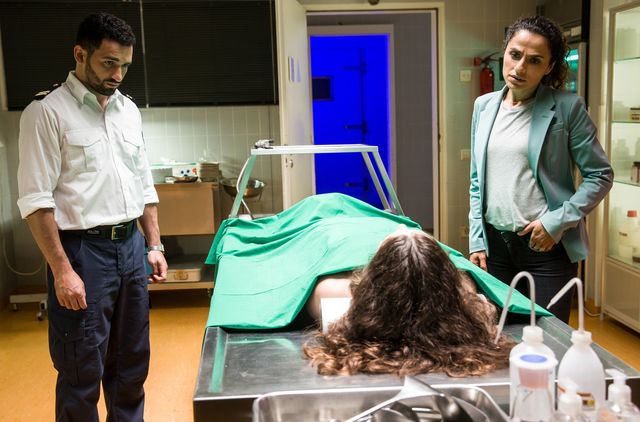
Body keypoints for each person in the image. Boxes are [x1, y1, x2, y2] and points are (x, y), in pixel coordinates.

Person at [16, 12, 167, 421]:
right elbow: (36, 201)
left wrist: (154, 244)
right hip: (82, 252)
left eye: (125, 66)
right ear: (81, 54)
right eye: (109, 63)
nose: (117, 74)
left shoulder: (128, 110)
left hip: (131, 250)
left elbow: (143, 184)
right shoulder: (46, 112)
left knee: (131, 366)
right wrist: (62, 271)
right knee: (81, 369)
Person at [468, 15, 613, 323]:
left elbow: (600, 175)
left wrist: (556, 222)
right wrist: (477, 239)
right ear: (505, 52)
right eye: (515, 55)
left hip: (546, 249)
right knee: (499, 337)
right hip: (495, 249)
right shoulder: (484, 106)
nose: (520, 68)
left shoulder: (568, 107)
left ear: (549, 67)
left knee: (548, 340)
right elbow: (477, 180)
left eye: (534, 61)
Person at [303, 227, 514, 377]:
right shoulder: (464, 292)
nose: (402, 225)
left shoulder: (331, 292)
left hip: (335, 229)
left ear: (372, 277)